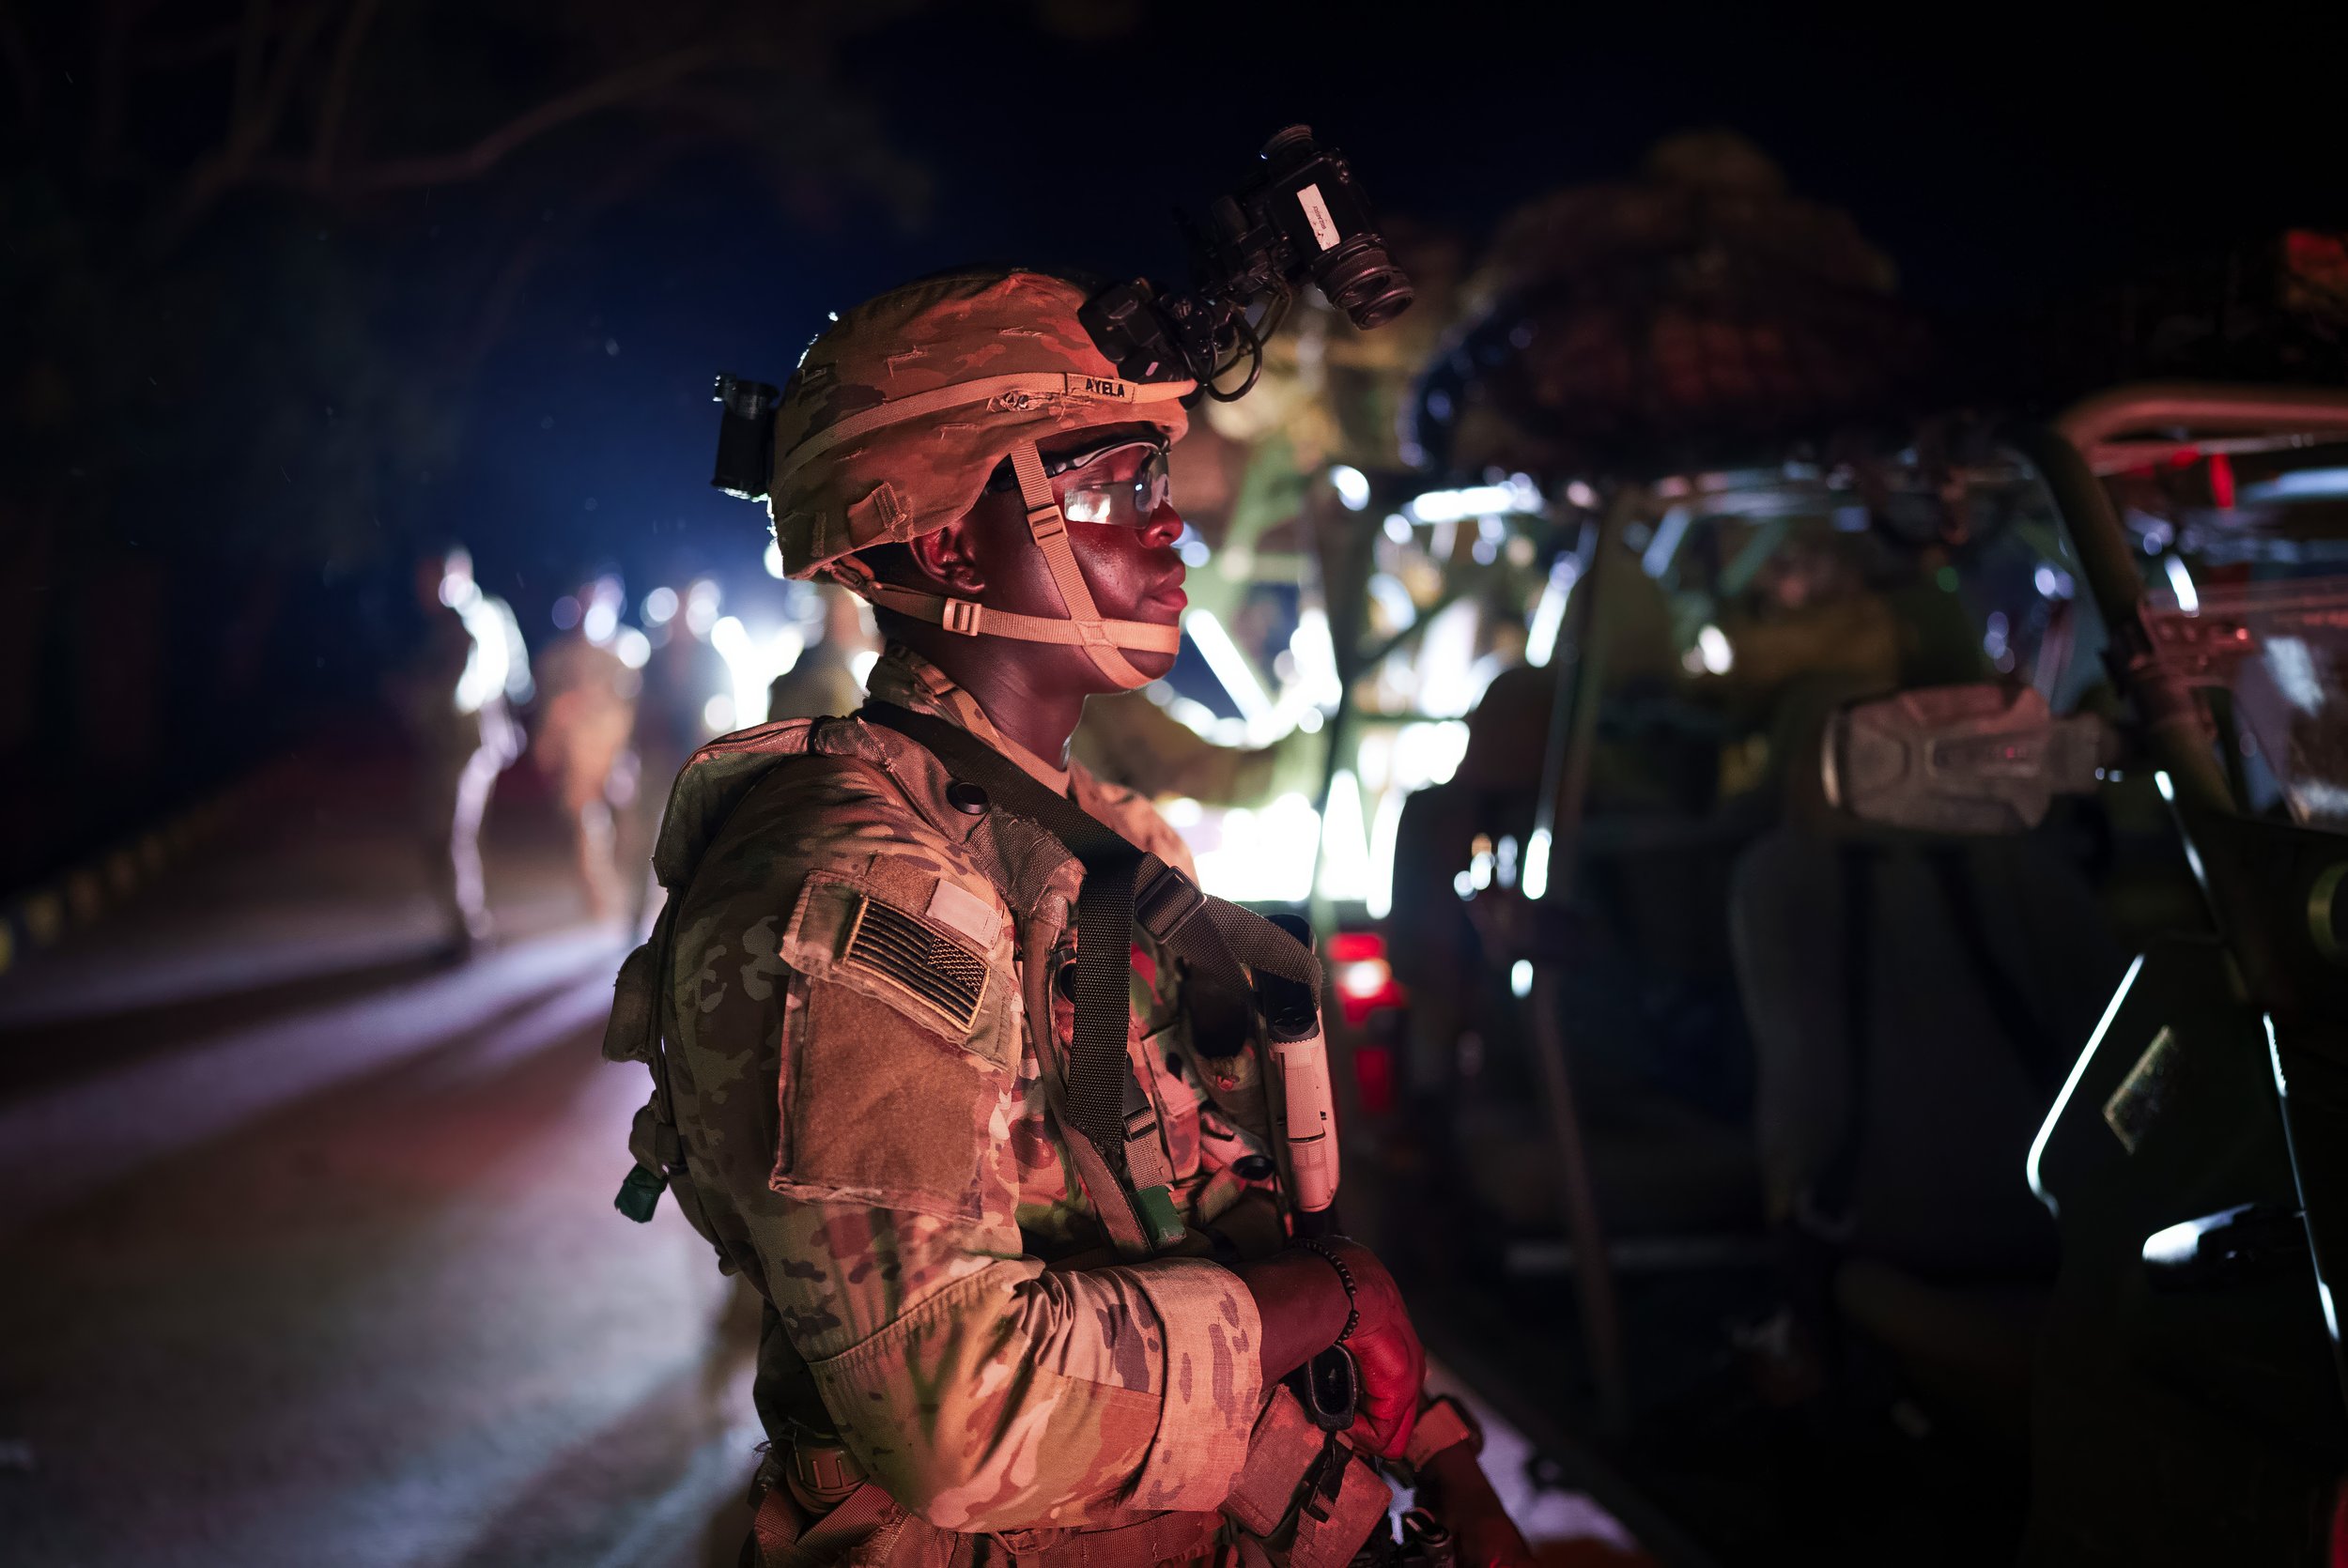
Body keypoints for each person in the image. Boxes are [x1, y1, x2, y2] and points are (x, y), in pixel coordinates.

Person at [607, 270, 1533, 1568]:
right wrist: (1327, 1298)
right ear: (945, 546)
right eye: (1109, 487)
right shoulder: (858, 880)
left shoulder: (1106, 841)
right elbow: (960, 1413)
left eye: (1158, 480)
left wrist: (1434, 1452)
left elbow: (1195, 1200)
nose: (1166, 528)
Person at [389, 546, 528, 961]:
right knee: (458, 832)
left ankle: (467, 931)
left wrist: (414, 696)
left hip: (464, 739)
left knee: (449, 833)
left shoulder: (463, 622)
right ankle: (467, 924)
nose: (425, 590)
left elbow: (456, 692)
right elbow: (517, 674)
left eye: (432, 579)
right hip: (471, 737)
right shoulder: (485, 613)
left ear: (458, 573)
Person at [533, 576, 639, 923]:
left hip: (620, 755)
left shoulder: (629, 652)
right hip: (579, 757)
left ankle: (634, 896)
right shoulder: (559, 656)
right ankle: (600, 898)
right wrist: (549, 744)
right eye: (586, 601)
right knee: (587, 829)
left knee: (631, 830)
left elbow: (638, 708)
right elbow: (550, 709)